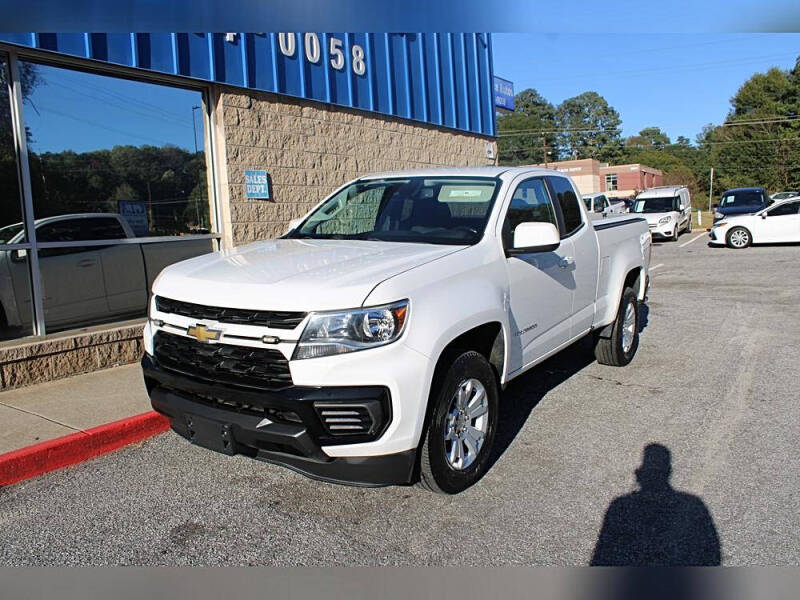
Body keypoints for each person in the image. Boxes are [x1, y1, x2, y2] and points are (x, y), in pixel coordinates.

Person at [591, 443, 721, 566]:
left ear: (640, 474)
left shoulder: (622, 507)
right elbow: (711, 554)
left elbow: (602, 556)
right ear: (668, 472)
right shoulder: (692, 506)